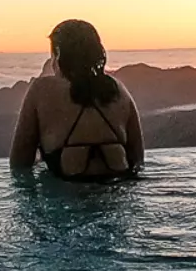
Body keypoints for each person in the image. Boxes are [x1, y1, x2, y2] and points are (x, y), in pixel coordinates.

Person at [9, 19, 144, 181]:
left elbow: (19, 164)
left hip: (67, 196)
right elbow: (138, 162)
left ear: (58, 55)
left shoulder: (41, 90)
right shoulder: (119, 91)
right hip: (117, 194)